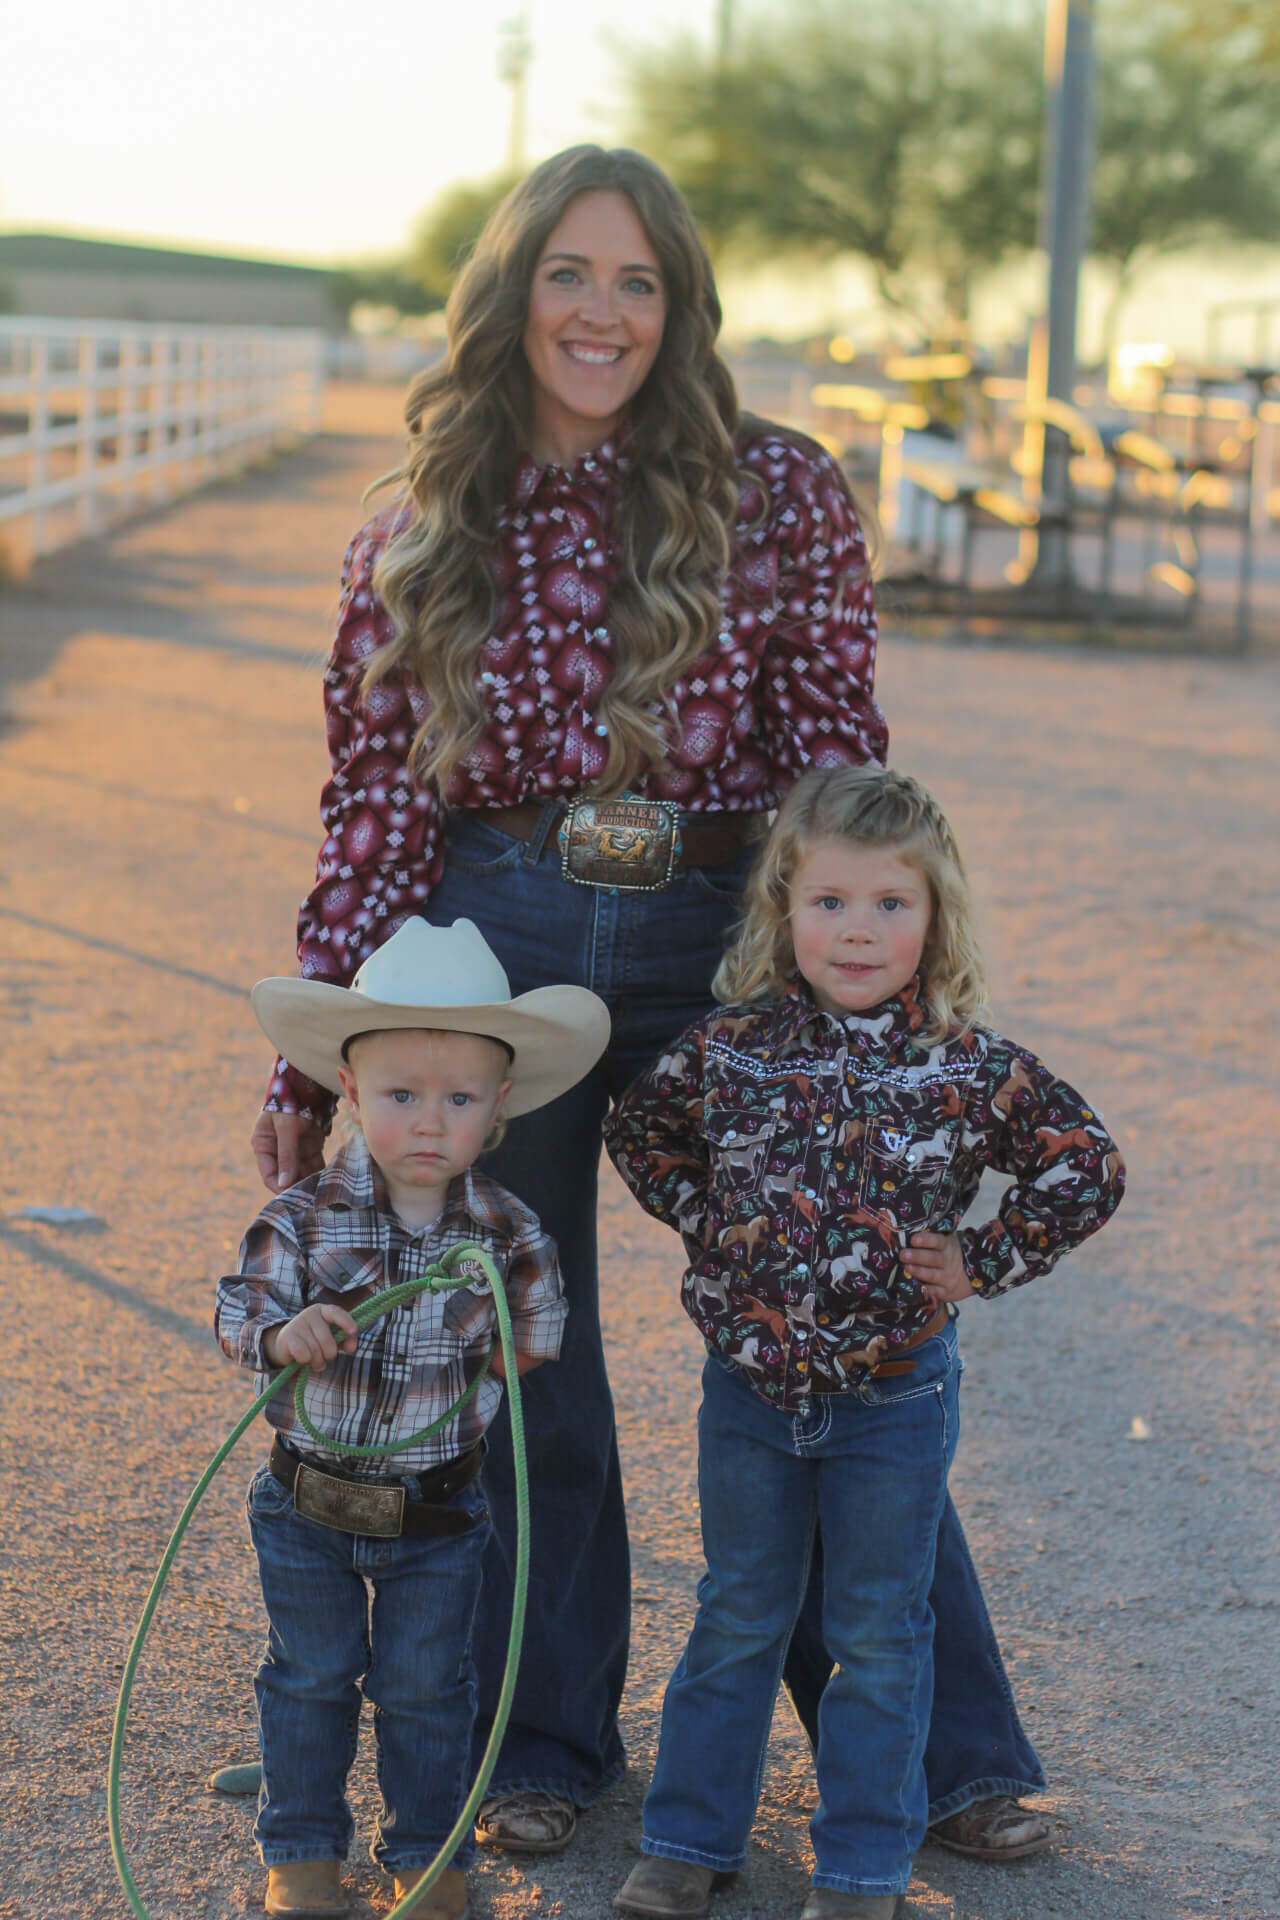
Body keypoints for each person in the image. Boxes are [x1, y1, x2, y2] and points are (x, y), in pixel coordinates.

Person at [244, 142, 1051, 1862]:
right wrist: (319, 1038)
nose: (601, 312)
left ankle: (942, 1755)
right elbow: (376, 801)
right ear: (509, 290)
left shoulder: (781, 488)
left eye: (637, 281)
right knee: (524, 1351)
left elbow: (840, 753)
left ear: (678, 306)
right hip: (497, 934)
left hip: (724, 919)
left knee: (828, 1323)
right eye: (568, 274)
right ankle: (548, 1738)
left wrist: (858, 974)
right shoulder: (416, 519)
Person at [604, 765, 1126, 1920]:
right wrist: (709, 1223)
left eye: (891, 904)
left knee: (880, 1635)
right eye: (829, 901)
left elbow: (1083, 1163)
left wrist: (981, 1259)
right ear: (782, 909)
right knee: (737, 1614)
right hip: (746, 1394)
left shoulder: (966, 1064)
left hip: (891, 1401)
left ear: (934, 920)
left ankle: (859, 1869)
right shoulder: (729, 1049)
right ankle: (687, 1843)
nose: (856, 930)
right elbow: (640, 1129)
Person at [216, 916, 610, 1920]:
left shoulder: (509, 1231)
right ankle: (302, 1850)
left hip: (437, 1515)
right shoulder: (305, 1216)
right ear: (349, 1094)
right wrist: (284, 1332)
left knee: (430, 1692)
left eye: (457, 1099)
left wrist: (481, 1370)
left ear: (499, 1105)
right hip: (306, 1507)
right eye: (399, 1096)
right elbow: (240, 1310)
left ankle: (426, 1860)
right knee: (310, 1676)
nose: (428, 1122)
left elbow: (535, 1334)